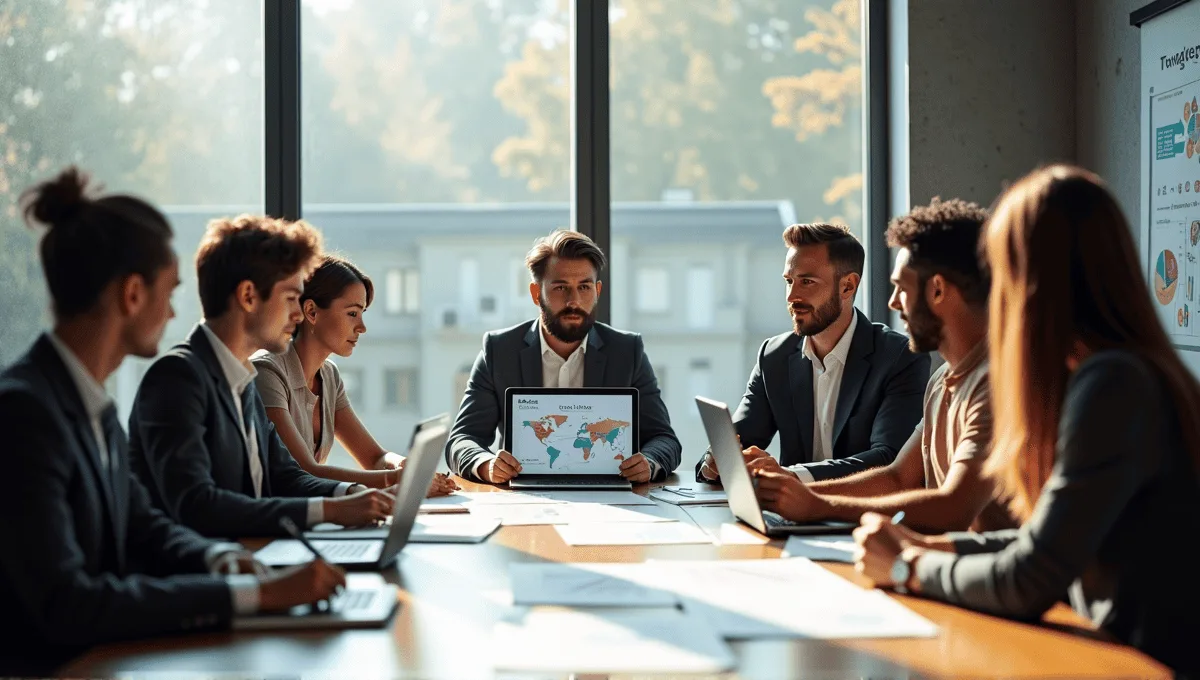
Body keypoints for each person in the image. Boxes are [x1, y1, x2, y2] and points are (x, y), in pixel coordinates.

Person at [854, 165, 1200, 675]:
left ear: (1035, 279)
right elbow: (1047, 539)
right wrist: (938, 546)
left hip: (1137, 664)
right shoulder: (1119, 370)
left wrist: (909, 567)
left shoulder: (1112, 385)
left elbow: (1034, 575)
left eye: (1002, 271)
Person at [0, 168, 344, 673]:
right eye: (169, 290)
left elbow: (143, 523)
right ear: (133, 294)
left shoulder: (85, 400)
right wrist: (245, 594)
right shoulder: (25, 411)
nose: (173, 309)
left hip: (114, 655)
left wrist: (219, 561)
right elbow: (67, 603)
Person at [747, 201, 1014, 533]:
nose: (892, 302)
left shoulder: (998, 385)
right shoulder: (942, 379)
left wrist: (817, 504)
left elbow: (952, 507)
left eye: (902, 287)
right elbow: (897, 477)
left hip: (982, 578)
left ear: (938, 289)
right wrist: (798, 494)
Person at [128, 215, 395, 538]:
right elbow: (197, 504)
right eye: (289, 299)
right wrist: (332, 510)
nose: (298, 314)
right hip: (211, 570)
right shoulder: (177, 378)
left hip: (256, 554)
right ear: (249, 296)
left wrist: (350, 493)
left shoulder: (243, 380)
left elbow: (285, 476)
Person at [697, 223, 928, 483]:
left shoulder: (899, 357)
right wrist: (714, 463)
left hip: (862, 514)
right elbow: (736, 443)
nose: (792, 295)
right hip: (790, 515)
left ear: (848, 286)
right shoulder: (773, 356)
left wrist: (792, 476)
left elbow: (889, 459)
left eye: (807, 281)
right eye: (789, 281)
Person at [447, 229, 681, 484]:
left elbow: (665, 440)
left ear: (597, 291)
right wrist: (487, 464)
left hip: (611, 499)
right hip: (524, 497)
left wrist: (649, 462)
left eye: (584, 287)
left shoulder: (627, 351)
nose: (574, 300)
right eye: (560, 288)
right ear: (537, 294)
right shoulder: (499, 350)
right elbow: (462, 439)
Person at [253, 255, 457, 495]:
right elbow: (304, 471)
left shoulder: (329, 375)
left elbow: (375, 457)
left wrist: (403, 465)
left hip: (314, 515)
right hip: (271, 523)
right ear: (311, 311)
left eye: (362, 314)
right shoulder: (267, 372)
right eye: (352, 314)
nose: (362, 327)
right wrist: (400, 479)